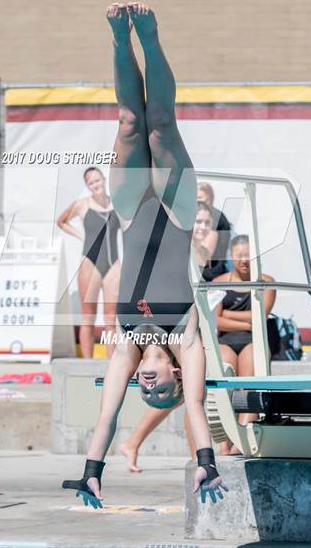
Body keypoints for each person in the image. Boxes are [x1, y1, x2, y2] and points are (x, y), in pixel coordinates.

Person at [62, 2, 227, 506]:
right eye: (160, 392)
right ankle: (151, 39)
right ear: (175, 377)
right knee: (161, 124)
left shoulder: (126, 346)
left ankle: (118, 40)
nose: (149, 385)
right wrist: (206, 465)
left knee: (131, 122)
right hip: (177, 211)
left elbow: (107, 415)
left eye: (145, 391)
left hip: (132, 211)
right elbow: (196, 409)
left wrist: (92, 471)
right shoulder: (188, 338)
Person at [120, 201, 215, 472]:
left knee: (183, 394)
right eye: (199, 221)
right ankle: (194, 455)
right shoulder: (179, 240)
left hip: (189, 323)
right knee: (186, 394)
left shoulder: (202, 247)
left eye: (205, 223)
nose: (202, 226)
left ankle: (137, 442)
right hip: (183, 324)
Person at [213, 234, 276, 454]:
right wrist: (247, 320)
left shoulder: (266, 282)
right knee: (224, 387)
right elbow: (215, 320)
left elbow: (261, 317)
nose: (244, 260)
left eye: (248, 255)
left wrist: (228, 314)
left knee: (247, 385)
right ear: (231, 256)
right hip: (225, 341)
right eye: (239, 255)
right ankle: (224, 443)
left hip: (252, 340)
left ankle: (242, 435)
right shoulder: (219, 283)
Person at [57, 168, 121, 358]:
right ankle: (87, 362)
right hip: (90, 262)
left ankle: (113, 363)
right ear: (87, 186)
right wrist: (80, 236)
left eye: (98, 180)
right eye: (91, 183)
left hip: (113, 263)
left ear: (103, 179)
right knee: (88, 316)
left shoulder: (116, 204)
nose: (96, 185)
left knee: (111, 317)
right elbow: (61, 221)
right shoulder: (82, 205)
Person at [197, 182, 231, 281]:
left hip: (210, 276)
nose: (195, 201)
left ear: (209, 198)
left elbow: (205, 256)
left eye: (199, 198)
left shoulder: (214, 216)